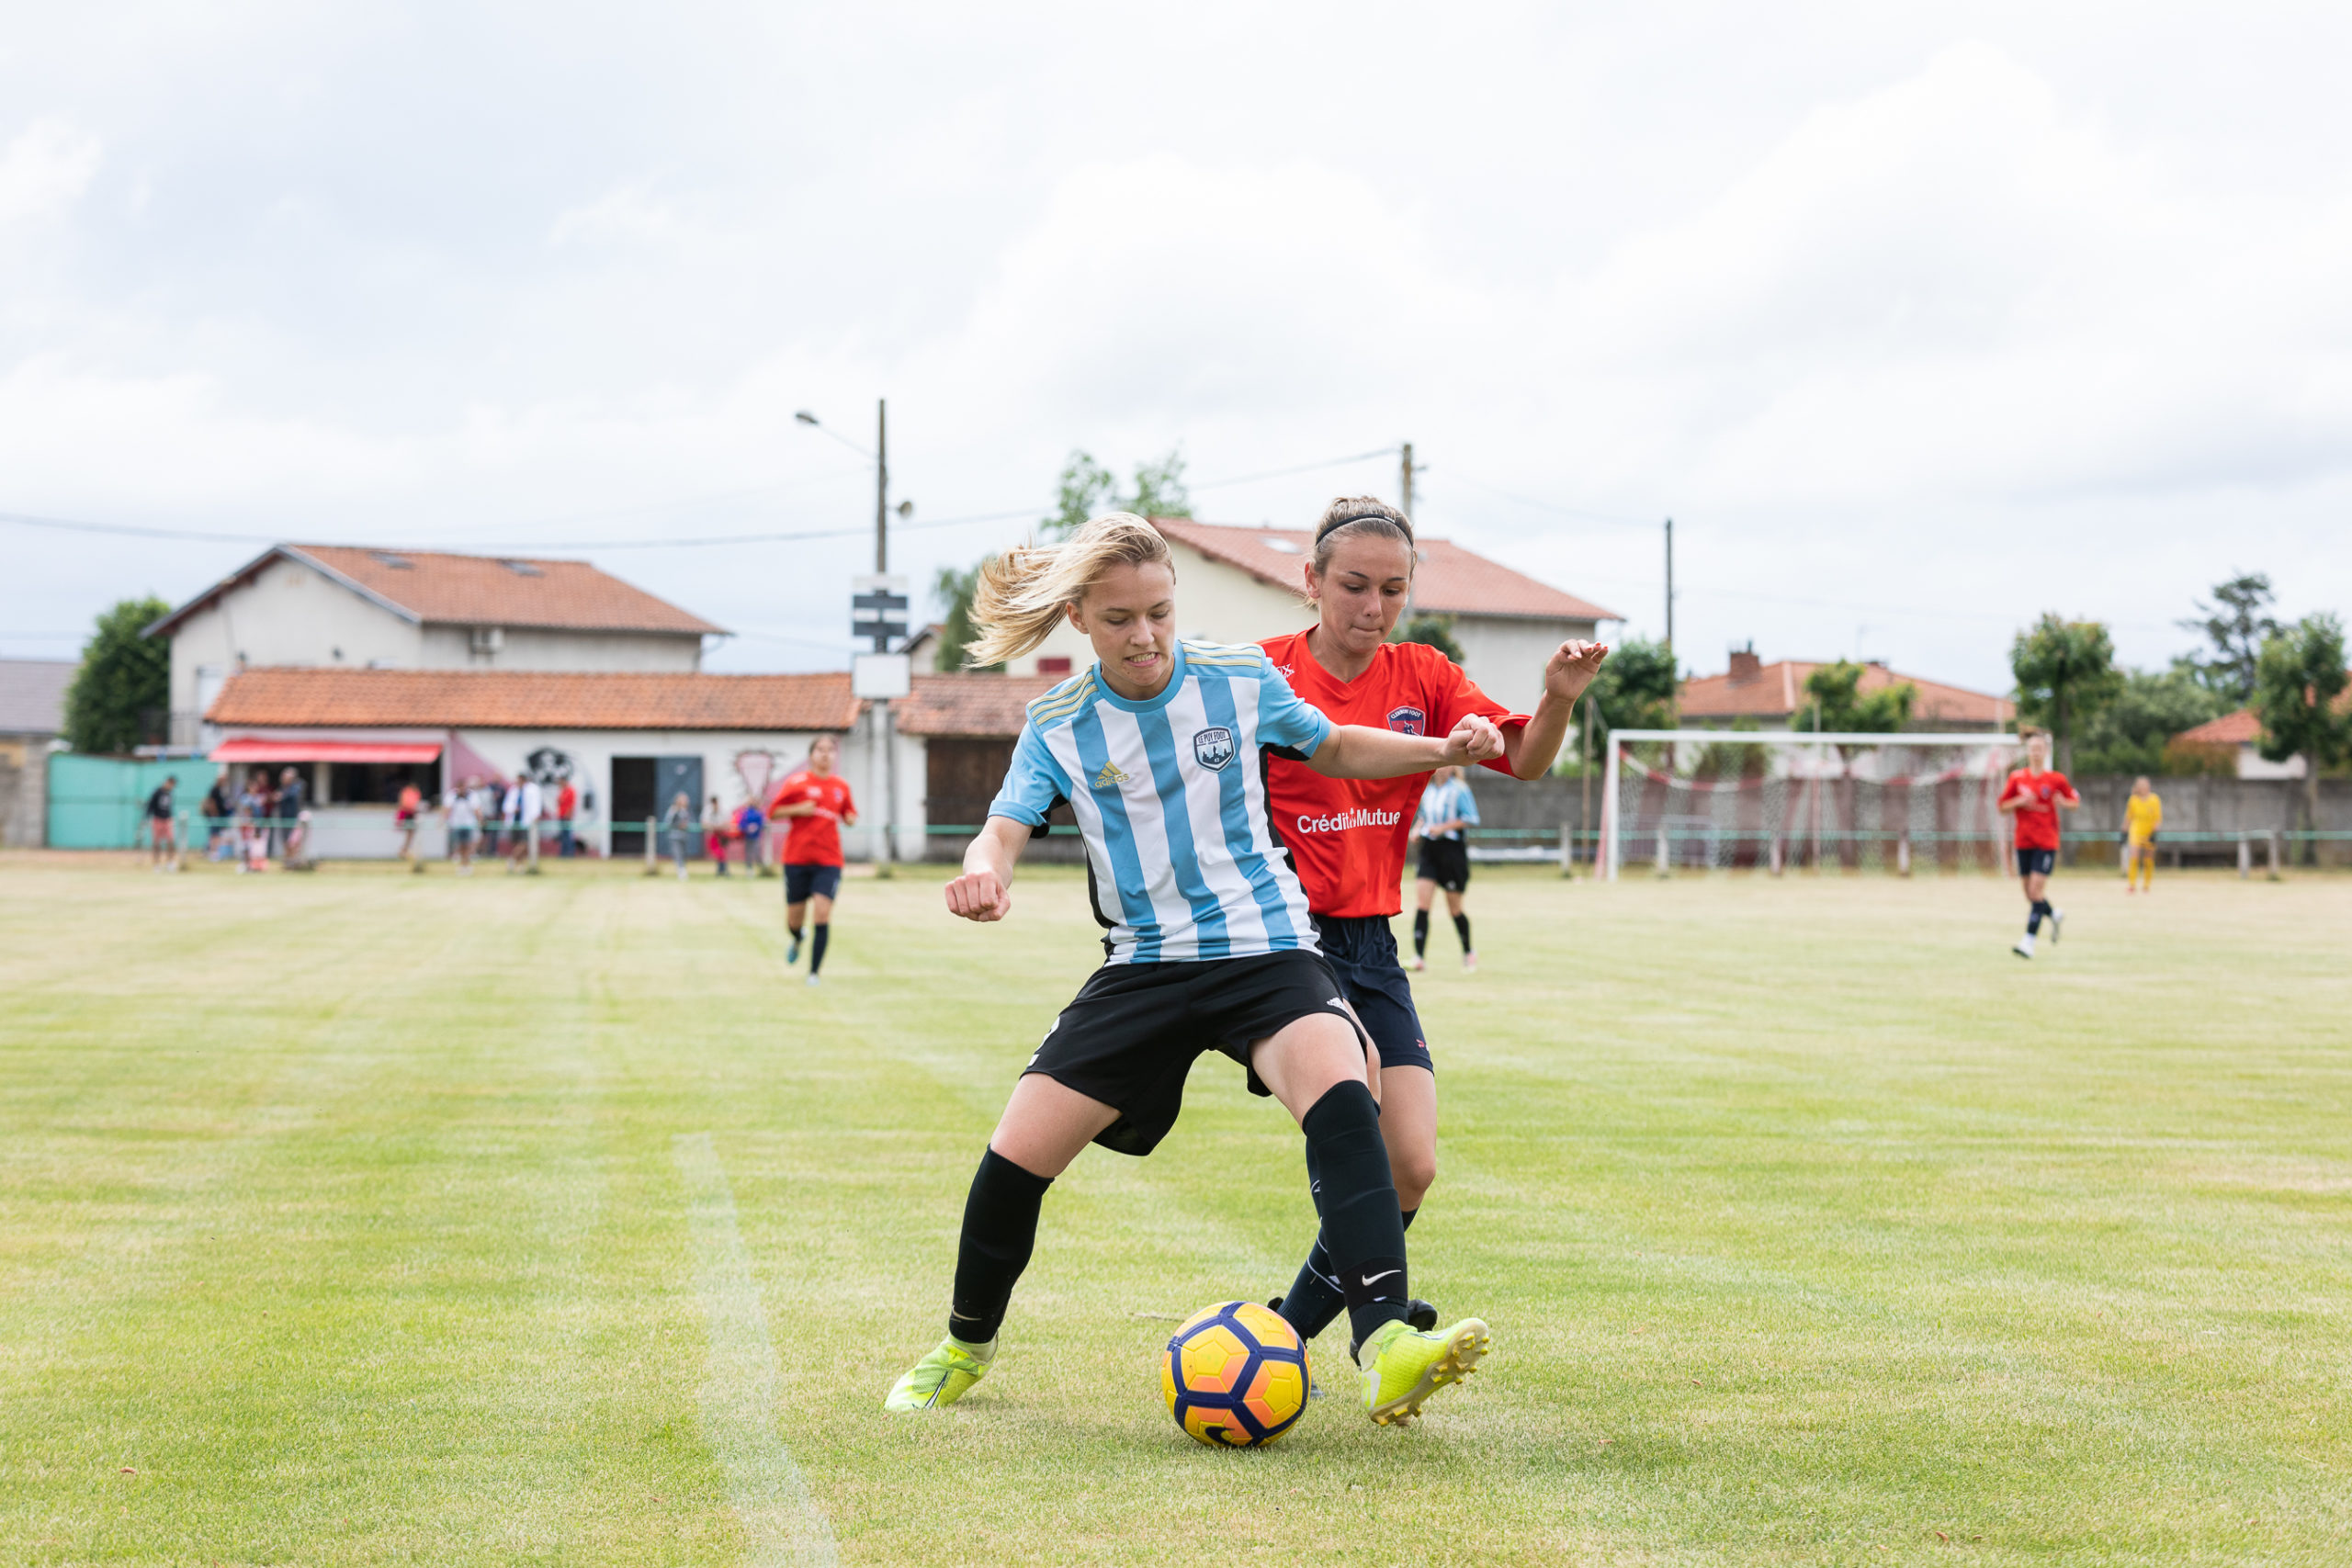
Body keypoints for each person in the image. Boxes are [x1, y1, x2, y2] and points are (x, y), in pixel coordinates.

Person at [884, 513, 1506, 1428]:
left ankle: (1384, 1346)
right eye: (1119, 620)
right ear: (1078, 622)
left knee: (1344, 1097)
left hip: (1267, 947)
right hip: (1145, 966)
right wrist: (985, 871)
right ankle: (963, 1347)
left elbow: (1331, 745)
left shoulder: (1237, 677)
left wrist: (1438, 749)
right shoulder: (1057, 721)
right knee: (1013, 1162)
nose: (1143, 637)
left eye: (1159, 614)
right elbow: (1006, 826)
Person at [1255, 495, 1607, 1355]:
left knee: (1412, 1164)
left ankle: (1284, 1330)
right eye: (1352, 586)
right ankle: (1382, 1328)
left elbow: (1521, 756)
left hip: (1373, 944)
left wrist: (1555, 699)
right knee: (1354, 1103)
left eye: (1392, 589)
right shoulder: (1259, 671)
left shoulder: (1425, 673)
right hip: (1285, 944)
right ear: (1311, 582)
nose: (1372, 608)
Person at [769, 734, 858, 985]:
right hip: (797, 859)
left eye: (830, 750)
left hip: (828, 861)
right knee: (793, 920)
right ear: (811, 755)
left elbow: (850, 813)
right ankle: (797, 937)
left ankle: (814, 973)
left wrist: (850, 818)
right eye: (820, 749)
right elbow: (773, 812)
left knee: (822, 914)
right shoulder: (795, 783)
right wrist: (799, 809)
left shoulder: (841, 786)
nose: (825, 754)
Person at [1998, 730, 2080, 958]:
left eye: (2039, 749)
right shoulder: (2016, 778)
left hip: (2046, 841)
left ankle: (2028, 942)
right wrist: (2019, 801)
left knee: (2035, 890)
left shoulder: (2056, 779)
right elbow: (2002, 807)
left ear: (2046, 752)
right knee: (2030, 894)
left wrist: (2064, 802)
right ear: (2027, 752)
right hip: (2023, 841)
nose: (2035, 753)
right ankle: (2053, 914)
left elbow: (2075, 801)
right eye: (2032, 748)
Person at [1410, 766, 1480, 972]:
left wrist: (1443, 828)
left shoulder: (1459, 790)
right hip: (1429, 850)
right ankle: (1419, 957)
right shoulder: (1428, 789)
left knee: (1454, 909)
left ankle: (1468, 952)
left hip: (1451, 852)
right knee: (1422, 904)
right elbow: (1423, 816)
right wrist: (1416, 830)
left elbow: (1471, 818)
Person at [2122, 774, 2163, 894]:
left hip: (2149, 830)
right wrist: (2124, 831)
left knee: (2148, 858)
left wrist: (2155, 832)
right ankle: (2132, 884)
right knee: (2134, 855)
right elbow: (2128, 817)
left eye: (2145, 785)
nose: (2143, 787)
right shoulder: (2133, 800)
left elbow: (2158, 818)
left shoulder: (2154, 799)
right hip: (2136, 830)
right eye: (2140, 785)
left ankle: (2146, 884)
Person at [446, 776, 481, 874]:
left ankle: (466, 865)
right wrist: (443, 821)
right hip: (456, 825)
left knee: (468, 846)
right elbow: (447, 809)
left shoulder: (471, 796)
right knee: (460, 846)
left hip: (468, 825)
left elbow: (476, 809)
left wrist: (480, 820)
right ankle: (462, 865)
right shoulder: (452, 796)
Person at [144, 774, 179, 871]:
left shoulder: (170, 793)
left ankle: (170, 862)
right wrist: (146, 818)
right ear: (167, 782)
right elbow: (150, 805)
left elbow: (169, 807)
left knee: (171, 841)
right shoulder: (157, 792)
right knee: (157, 843)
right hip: (157, 819)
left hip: (168, 819)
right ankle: (157, 864)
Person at [277, 766, 309, 868]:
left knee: (293, 843)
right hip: (284, 819)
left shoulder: (297, 787)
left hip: (294, 819)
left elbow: (289, 795)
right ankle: (288, 863)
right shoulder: (283, 788)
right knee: (286, 842)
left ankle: (294, 863)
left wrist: (282, 795)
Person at [663, 792, 695, 880]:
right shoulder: (673, 810)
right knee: (677, 854)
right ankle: (681, 871)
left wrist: (687, 825)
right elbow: (668, 823)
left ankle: (683, 870)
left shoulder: (687, 811)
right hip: (675, 836)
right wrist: (678, 825)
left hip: (684, 836)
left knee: (684, 854)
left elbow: (692, 822)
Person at [733, 795, 766, 878]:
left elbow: (761, 824)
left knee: (757, 853)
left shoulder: (758, 813)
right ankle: (749, 870)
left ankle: (762, 870)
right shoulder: (745, 813)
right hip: (748, 836)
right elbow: (741, 824)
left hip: (756, 837)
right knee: (748, 854)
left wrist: (756, 827)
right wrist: (748, 827)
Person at [395, 783, 424, 870]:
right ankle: (403, 851)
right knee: (409, 835)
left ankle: (404, 851)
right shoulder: (409, 792)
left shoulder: (409, 792)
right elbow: (407, 804)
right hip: (409, 814)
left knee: (410, 835)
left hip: (410, 814)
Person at [201, 776, 232, 861]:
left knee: (217, 834)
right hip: (215, 816)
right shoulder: (214, 789)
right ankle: (212, 852)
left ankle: (215, 852)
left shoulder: (221, 790)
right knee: (214, 835)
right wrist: (214, 814)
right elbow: (211, 802)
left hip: (220, 816)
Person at [703, 794, 732, 876]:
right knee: (718, 852)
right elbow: (704, 823)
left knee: (722, 853)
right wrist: (713, 827)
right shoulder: (708, 810)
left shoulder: (724, 809)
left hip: (723, 834)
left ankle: (721, 870)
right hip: (713, 835)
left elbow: (727, 823)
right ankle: (723, 870)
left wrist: (719, 827)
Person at [555, 778, 579, 858]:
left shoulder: (570, 790)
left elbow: (571, 804)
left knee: (567, 835)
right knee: (564, 835)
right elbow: (558, 802)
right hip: (562, 815)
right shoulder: (562, 791)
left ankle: (569, 853)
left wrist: (568, 815)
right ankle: (564, 853)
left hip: (567, 816)